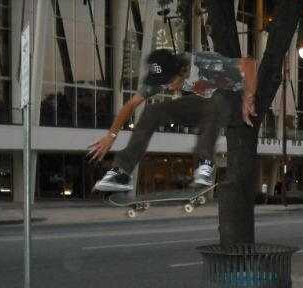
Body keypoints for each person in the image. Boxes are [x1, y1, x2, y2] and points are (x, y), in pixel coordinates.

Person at [88, 49, 257, 192]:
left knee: (218, 98)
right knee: (154, 111)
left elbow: (249, 64)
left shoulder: (204, 63)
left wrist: (249, 97)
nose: (167, 87)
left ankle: (205, 162)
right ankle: (122, 172)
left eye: (169, 82)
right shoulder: (164, 78)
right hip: (206, 107)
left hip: (235, 104)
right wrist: (111, 136)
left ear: (181, 70)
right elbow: (131, 104)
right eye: (163, 83)